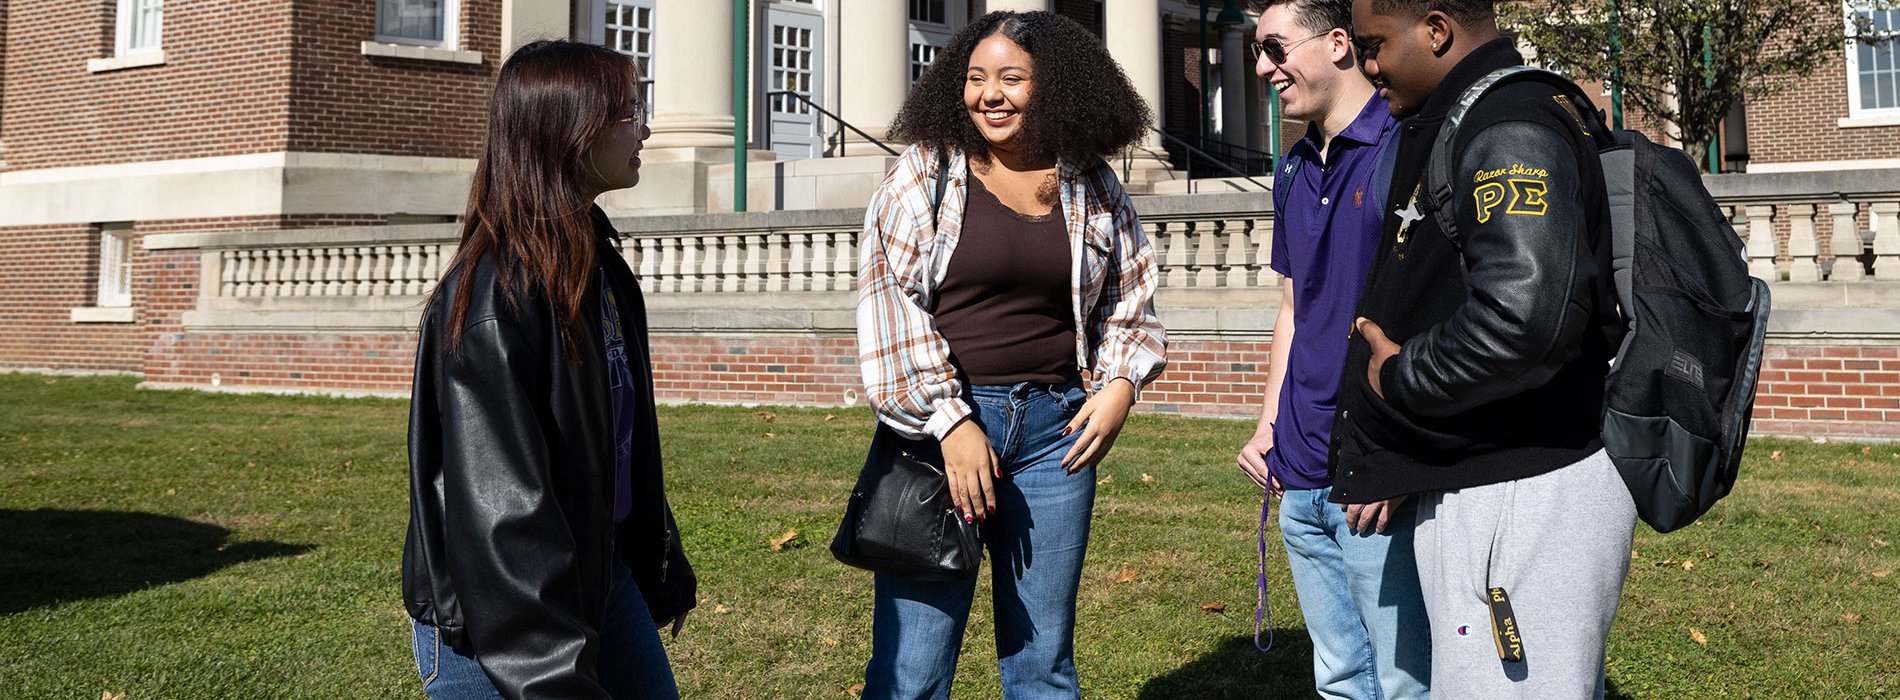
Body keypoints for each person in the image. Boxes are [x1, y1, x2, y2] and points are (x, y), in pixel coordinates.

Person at [854, 10, 1167, 699]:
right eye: (974, 78)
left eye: (1011, 78)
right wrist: (951, 422)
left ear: (1053, 87)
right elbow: (889, 307)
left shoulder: (1088, 183)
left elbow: (1133, 292)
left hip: (1057, 437)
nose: (989, 94)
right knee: (911, 671)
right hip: (941, 440)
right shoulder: (924, 174)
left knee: (1043, 664)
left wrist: (1119, 386)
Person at [1337, 0, 1633, 697]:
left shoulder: (1510, 126)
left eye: (1376, 44)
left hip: (1523, 495)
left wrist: (1401, 376)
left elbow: (1525, 322)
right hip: (1490, 486)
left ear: (1437, 29)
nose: (1367, 64)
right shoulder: (1467, 116)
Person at [402, 40, 694, 700]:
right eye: (628, 110)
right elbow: (502, 516)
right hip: (503, 625)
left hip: (599, 580)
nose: (645, 125)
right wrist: (550, 673)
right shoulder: (495, 300)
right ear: (569, 129)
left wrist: (656, 561)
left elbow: (616, 447)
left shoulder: (600, 271)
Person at [1232, 1, 1430, 697]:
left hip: (1377, 473)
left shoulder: (1406, 150)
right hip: (1301, 473)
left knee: (1409, 683)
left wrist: (1404, 453)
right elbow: (1296, 305)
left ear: (1338, 43)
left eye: (1276, 48)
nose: (1263, 67)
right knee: (1341, 677)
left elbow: (1438, 315)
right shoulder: (1291, 167)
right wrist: (1269, 425)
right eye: (1259, 51)